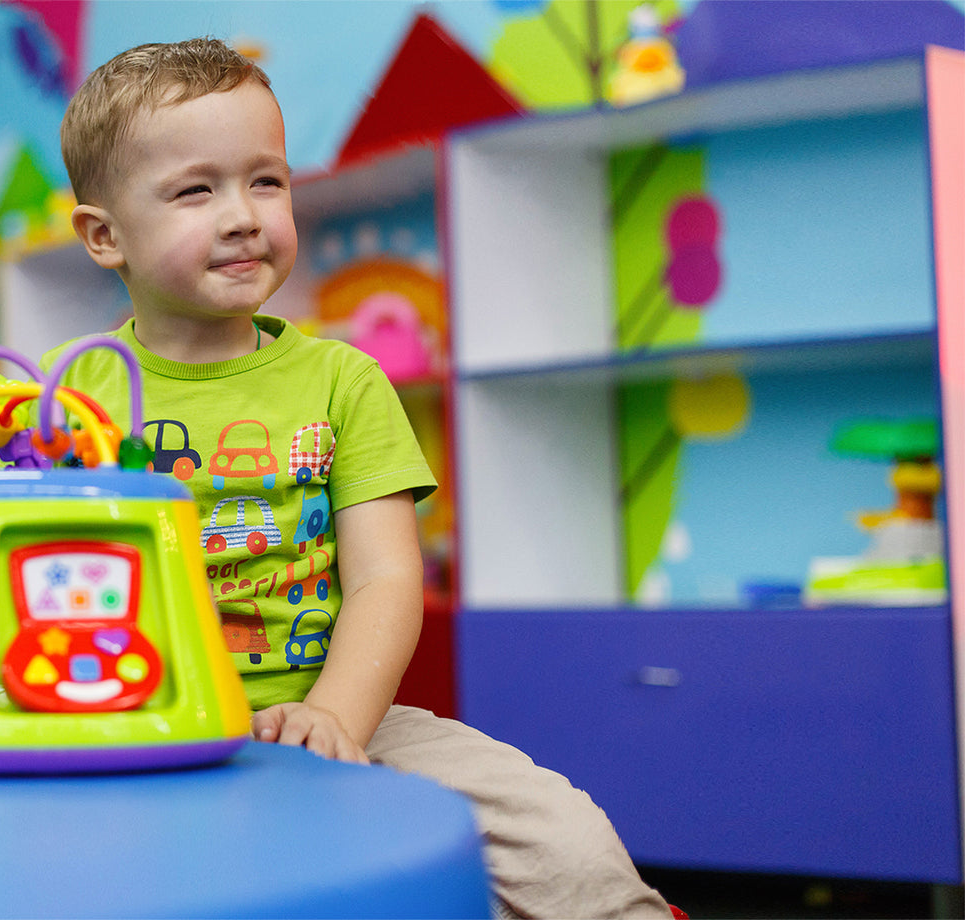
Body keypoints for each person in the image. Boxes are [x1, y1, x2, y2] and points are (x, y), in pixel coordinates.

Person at [41, 37, 672, 919]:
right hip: (132, 730)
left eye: (267, 181)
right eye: (196, 190)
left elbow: (385, 577)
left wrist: (336, 717)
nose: (244, 216)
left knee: (566, 844)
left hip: (339, 710)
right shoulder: (65, 398)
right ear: (104, 235)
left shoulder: (345, 380)